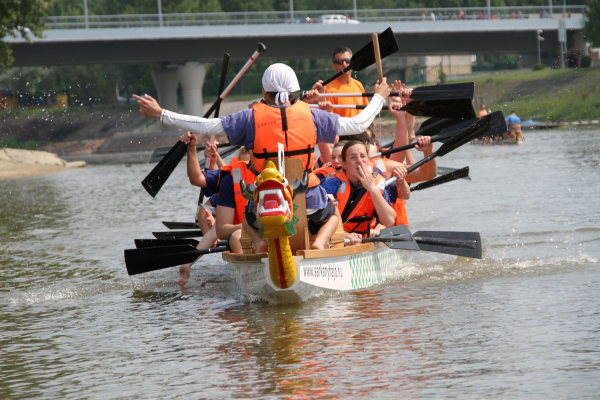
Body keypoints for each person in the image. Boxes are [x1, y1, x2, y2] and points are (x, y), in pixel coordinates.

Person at [133, 63, 391, 251]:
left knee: (246, 219)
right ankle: (320, 244)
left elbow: (205, 125)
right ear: (293, 91)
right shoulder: (311, 115)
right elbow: (359, 123)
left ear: (264, 91)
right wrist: (379, 97)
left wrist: (161, 114)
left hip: (266, 200)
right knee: (333, 214)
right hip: (306, 196)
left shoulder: (249, 118)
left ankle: (260, 243)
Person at [322, 141, 409, 245]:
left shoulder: (377, 183)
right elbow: (319, 221)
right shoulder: (333, 185)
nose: (359, 161)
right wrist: (343, 235)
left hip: (367, 238)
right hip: (338, 239)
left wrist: (372, 188)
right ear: (344, 164)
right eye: (353, 157)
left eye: (363, 156)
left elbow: (389, 221)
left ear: (368, 160)